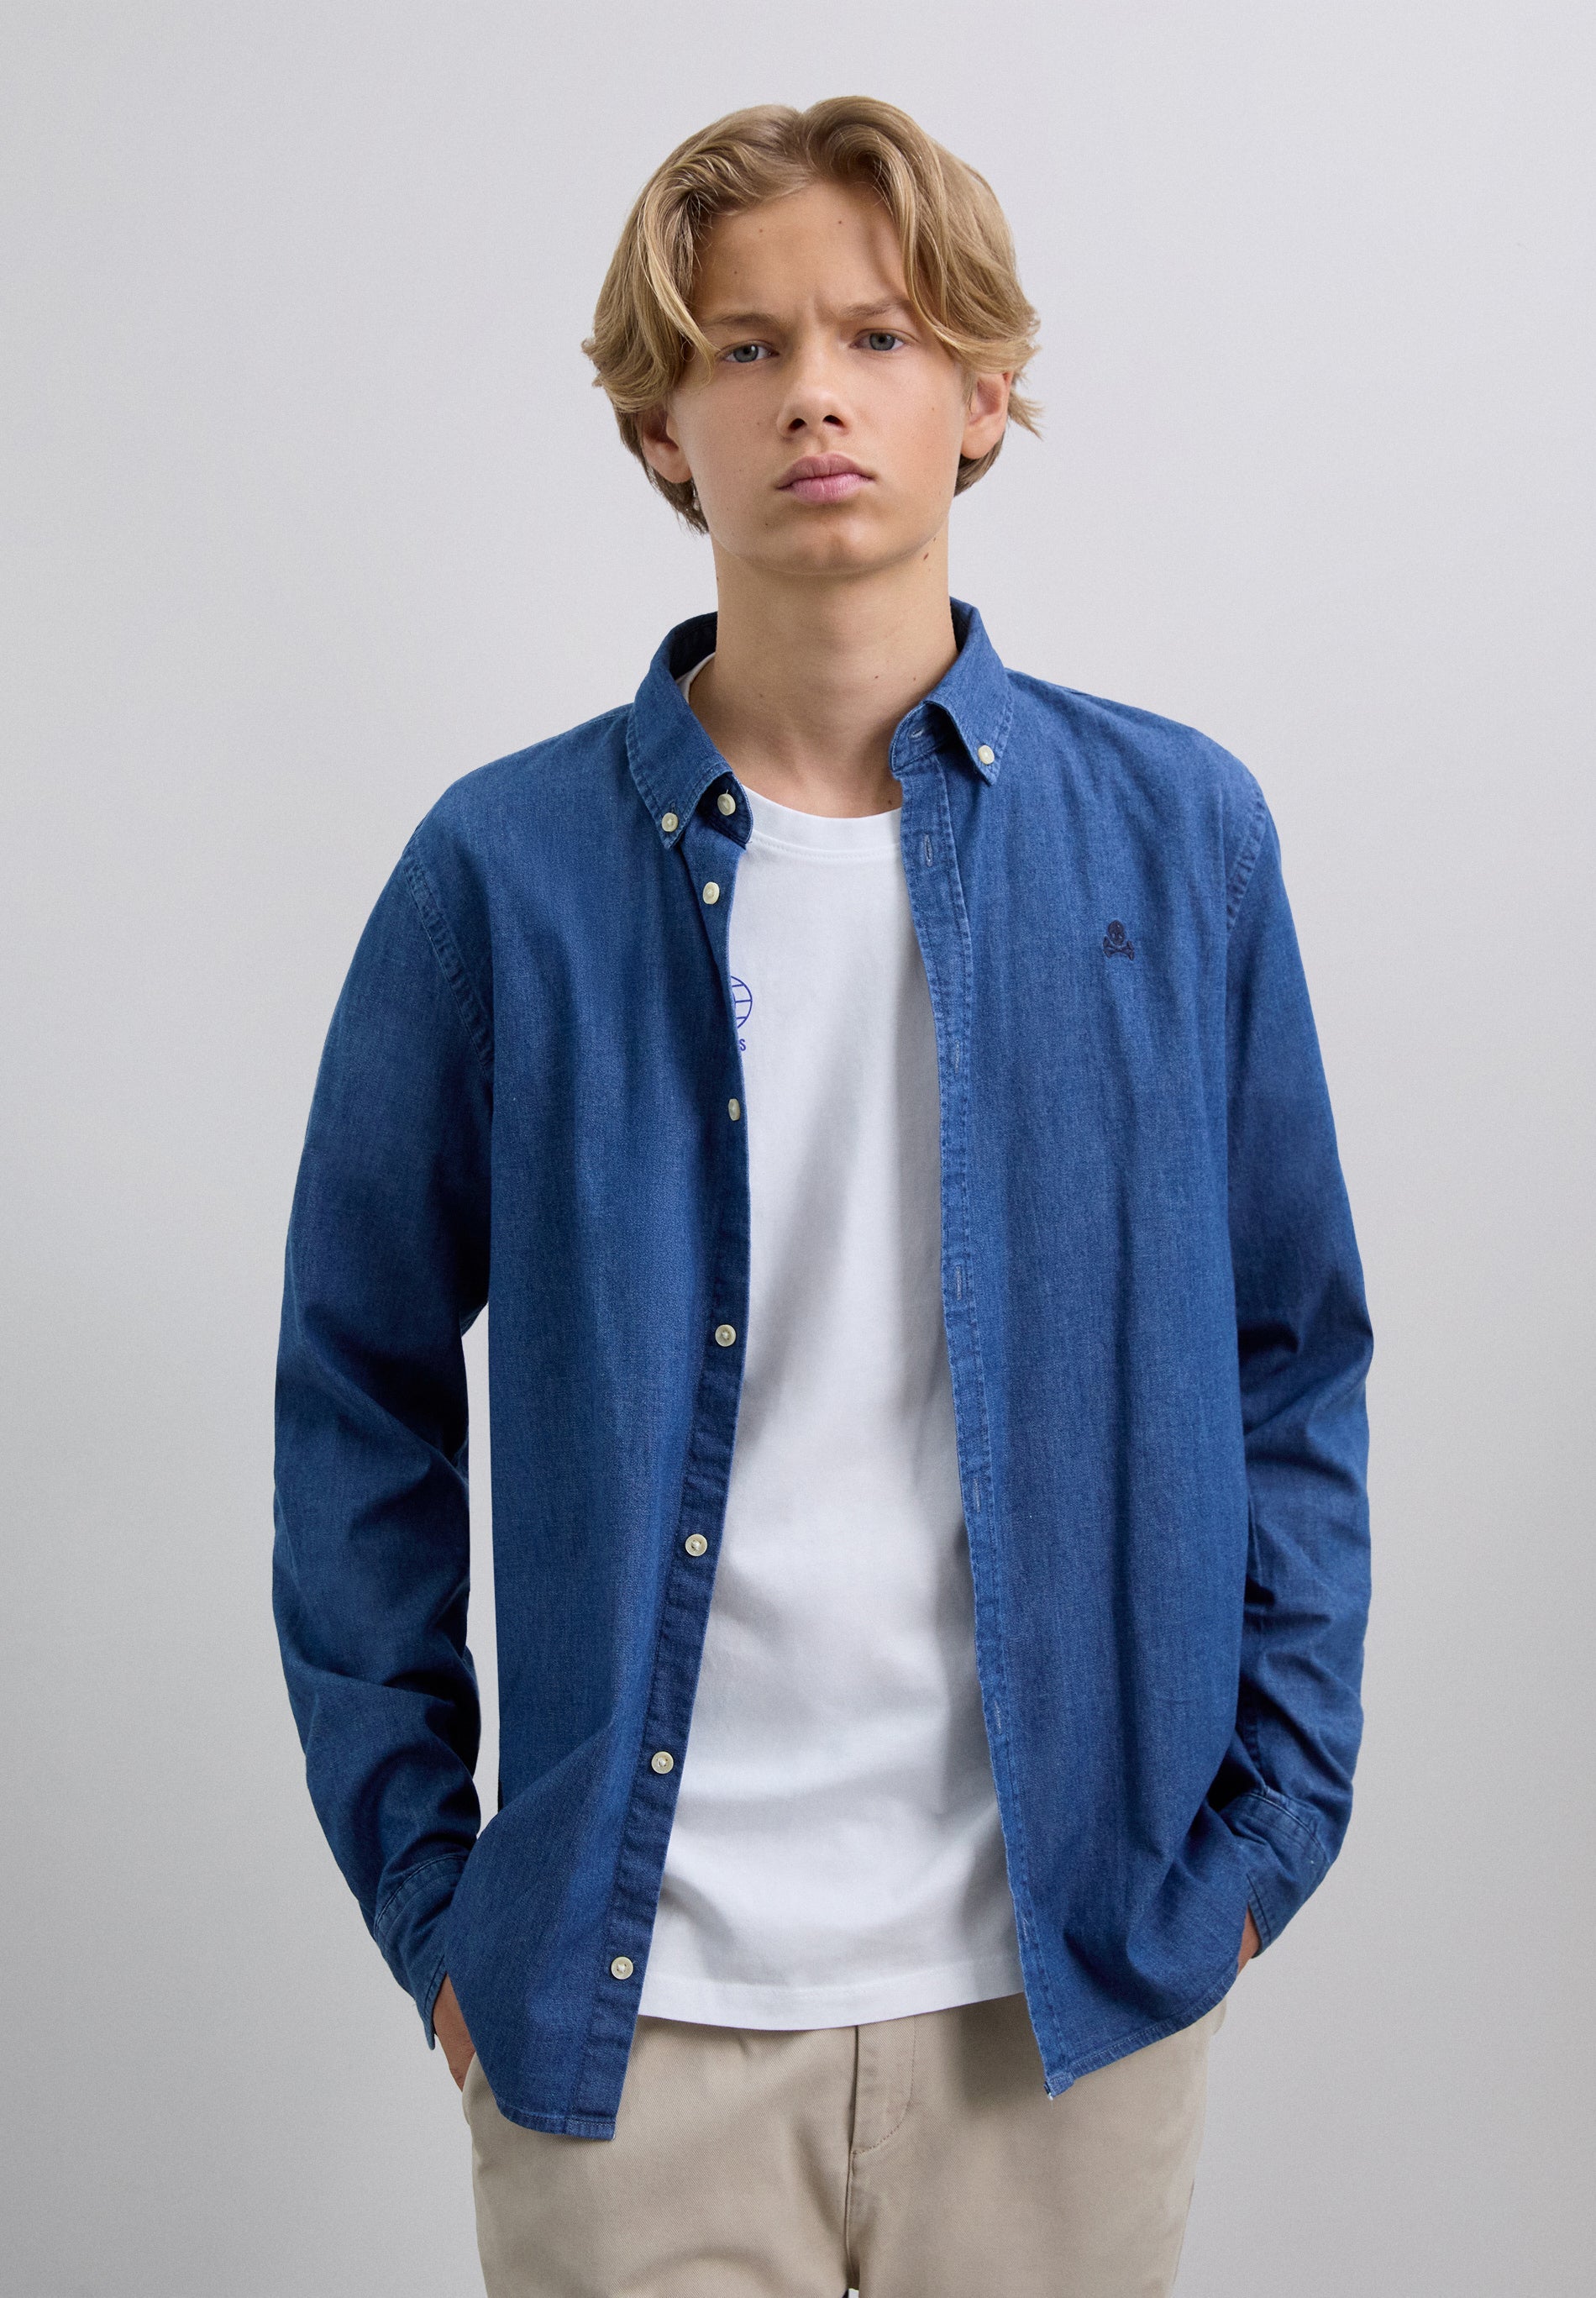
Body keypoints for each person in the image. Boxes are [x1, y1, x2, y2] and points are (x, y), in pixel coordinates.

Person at [272, 95, 1372, 2298]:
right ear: (659, 428)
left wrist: (1258, 1840)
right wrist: (435, 1897)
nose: (815, 397)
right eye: (746, 348)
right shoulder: (501, 877)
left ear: (981, 393)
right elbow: (355, 1391)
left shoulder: (1179, 842)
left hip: (1063, 1995)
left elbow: (1293, 1355)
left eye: (877, 335)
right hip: (630, 2012)